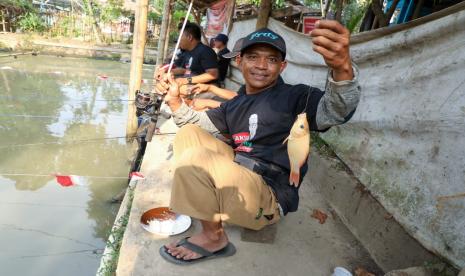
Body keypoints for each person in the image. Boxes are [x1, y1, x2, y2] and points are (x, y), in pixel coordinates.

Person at [157, 20, 360, 264]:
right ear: (239, 61)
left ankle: (214, 238)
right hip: (239, 175)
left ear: (282, 66)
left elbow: (335, 112)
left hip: (268, 194)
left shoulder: (296, 96)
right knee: (189, 134)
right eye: (253, 57)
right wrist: (175, 101)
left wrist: (342, 70)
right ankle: (202, 202)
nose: (261, 66)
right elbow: (197, 123)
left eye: (272, 60)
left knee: (195, 160)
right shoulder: (236, 103)